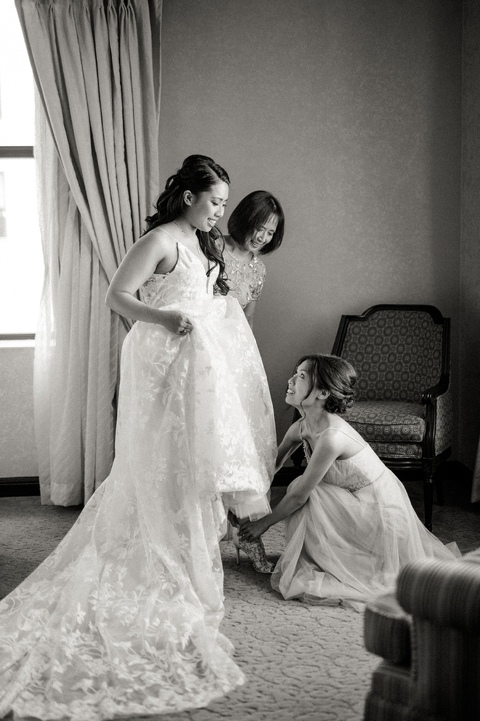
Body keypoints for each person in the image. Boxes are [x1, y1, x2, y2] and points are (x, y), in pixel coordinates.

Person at [0, 155, 277, 720]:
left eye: (225, 203)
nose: (221, 211)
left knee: (190, 471)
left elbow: (213, 302)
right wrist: (163, 322)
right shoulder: (162, 239)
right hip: (162, 361)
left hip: (196, 366)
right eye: (215, 201)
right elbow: (118, 296)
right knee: (155, 468)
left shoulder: (206, 243)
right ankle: (150, 560)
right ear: (188, 197)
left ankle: (187, 570)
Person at [239, 354, 460, 611]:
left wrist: (262, 525)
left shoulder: (332, 436)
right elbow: (270, 468)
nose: (290, 381)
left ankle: (340, 560)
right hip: (353, 505)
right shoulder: (301, 427)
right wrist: (242, 498)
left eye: (301, 376)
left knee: (305, 490)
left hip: (380, 515)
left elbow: (300, 495)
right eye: (295, 373)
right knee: (306, 489)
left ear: (322, 393)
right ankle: (327, 556)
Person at [220, 190, 284, 328]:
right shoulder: (211, 246)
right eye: (260, 228)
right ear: (245, 219)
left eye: (270, 233)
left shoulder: (258, 269)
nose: (263, 238)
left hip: (229, 342)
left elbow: (247, 318)